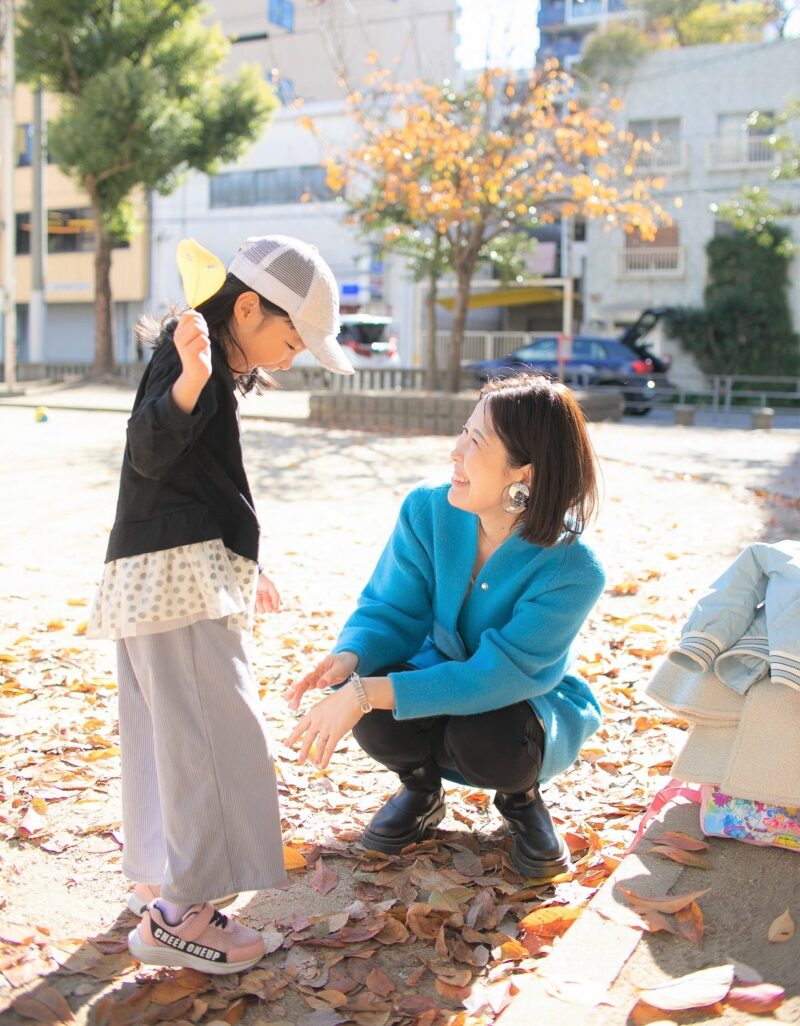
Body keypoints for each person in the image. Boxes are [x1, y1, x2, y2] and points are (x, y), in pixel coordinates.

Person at [88, 235, 354, 973]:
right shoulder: (193, 355)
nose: (293, 355)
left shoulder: (206, 359)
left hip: (157, 572)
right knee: (218, 735)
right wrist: (191, 380)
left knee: (167, 734)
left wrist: (247, 560)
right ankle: (180, 914)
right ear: (247, 307)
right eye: (291, 337)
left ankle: (161, 875)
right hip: (175, 580)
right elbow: (148, 448)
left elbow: (194, 480)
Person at [286, 374, 605, 879]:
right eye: (464, 430)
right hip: (437, 674)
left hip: (517, 705)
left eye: (475, 441)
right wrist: (351, 658)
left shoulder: (573, 569)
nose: (456, 450)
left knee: (488, 732)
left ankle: (520, 802)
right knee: (373, 700)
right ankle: (420, 790)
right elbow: (391, 609)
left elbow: (493, 677)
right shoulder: (427, 510)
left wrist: (366, 691)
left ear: (523, 472)